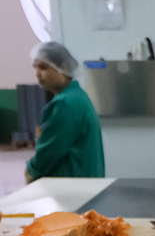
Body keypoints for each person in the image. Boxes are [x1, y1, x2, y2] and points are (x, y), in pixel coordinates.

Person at [25, 41, 105, 181]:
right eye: (35, 68)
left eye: (43, 68)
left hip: (71, 184)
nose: (37, 74)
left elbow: (49, 152)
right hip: (85, 181)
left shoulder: (66, 104)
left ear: (64, 68)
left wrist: (31, 171)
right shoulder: (78, 96)